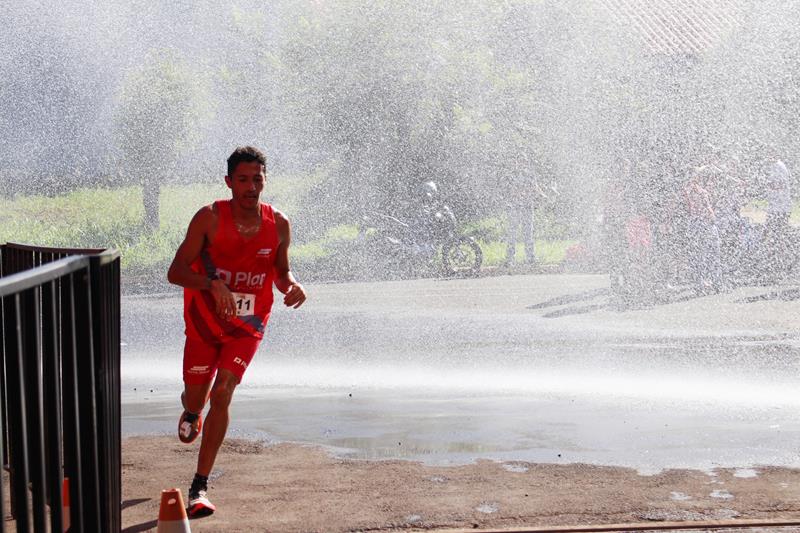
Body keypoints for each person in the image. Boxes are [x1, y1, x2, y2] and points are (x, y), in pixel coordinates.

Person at [166, 146, 307, 517]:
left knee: (224, 391)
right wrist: (211, 284)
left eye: (257, 179)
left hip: (248, 323)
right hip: (203, 321)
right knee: (196, 399)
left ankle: (200, 485)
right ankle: (192, 412)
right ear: (229, 182)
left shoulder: (278, 223)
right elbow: (175, 271)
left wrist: (292, 284)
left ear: (265, 180)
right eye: (242, 180)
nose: (251, 187)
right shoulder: (209, 218)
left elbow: (280, 270)